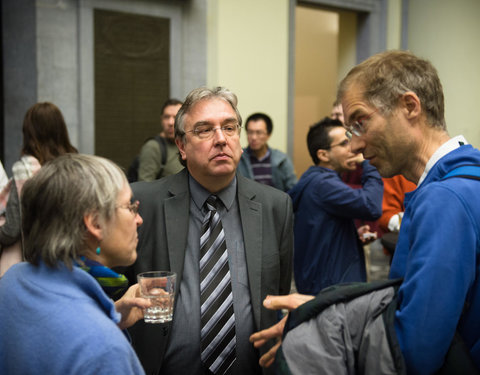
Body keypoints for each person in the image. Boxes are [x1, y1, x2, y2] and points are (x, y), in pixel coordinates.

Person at [251, 50, 480, 374]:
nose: (355, 145)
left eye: (360, 123)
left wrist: (329, 322)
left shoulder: (445, 200)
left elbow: (413, 353)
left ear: (410, 106)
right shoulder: (465, 181)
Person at [125, 86, 294, 375]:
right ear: (181, 145)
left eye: (229, 128)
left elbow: (276, 293)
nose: (221, 139)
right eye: (204, 130)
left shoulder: (275, 206)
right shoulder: (143, 204)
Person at [0, 154, 149, 374]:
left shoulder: (13, 280)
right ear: (95, 223)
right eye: (130, 207)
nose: (139, 220)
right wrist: (99, 327)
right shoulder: (105, 350)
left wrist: (109, 317)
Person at [288, 117, 383, 295]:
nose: (353, 148)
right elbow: (372, 205)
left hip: (326, 284)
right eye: (344, 143)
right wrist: (368, 161)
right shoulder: (323, 184)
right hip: (333, 291)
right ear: (323, 155)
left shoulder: (318, 181)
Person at [0, 102, 77, 276]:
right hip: (68, 262)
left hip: (32, 267)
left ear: (29, 134)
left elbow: (12, 229)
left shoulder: (25, 170)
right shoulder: (74, 168)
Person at [237, 112, 297, 192]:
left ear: (268, 135)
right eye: (250, 132)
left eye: (259, 133)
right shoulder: (239, 158)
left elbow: (293, 190)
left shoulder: (282, 160)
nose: (254, 137)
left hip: (276, 203)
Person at [137, 98, 184, 181]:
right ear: (161, 120)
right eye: (166, 117)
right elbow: (145, 186)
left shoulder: (188, 144)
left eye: (175, 117)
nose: (170, 122)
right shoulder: (153, 147)